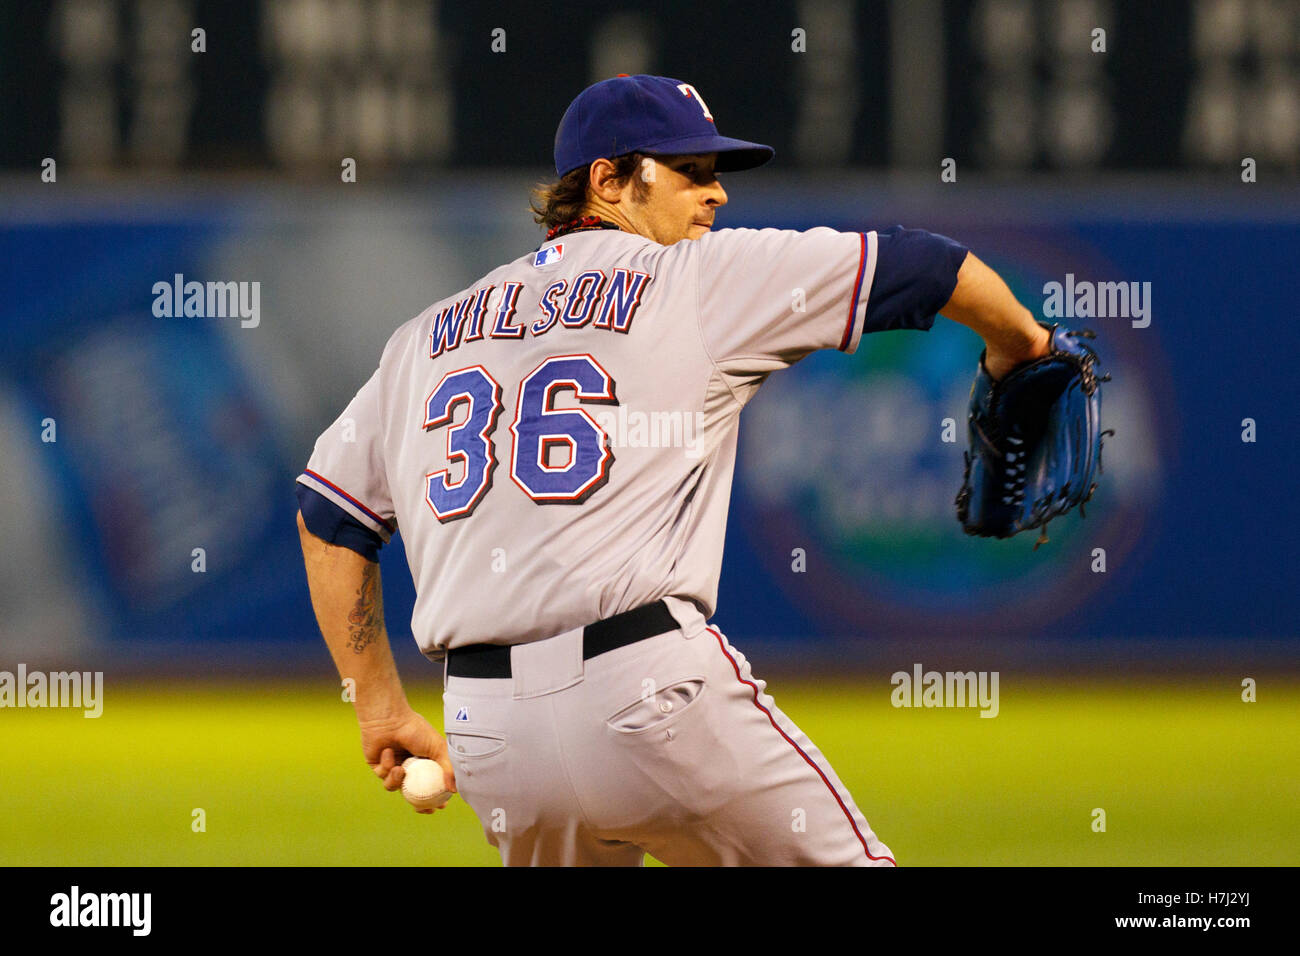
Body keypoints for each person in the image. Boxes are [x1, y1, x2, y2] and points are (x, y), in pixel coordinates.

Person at [296, 74, 1049, 866]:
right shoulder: (698, 277)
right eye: (691, 171)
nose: (716, 194)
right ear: (609, 179)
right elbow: (926, 266)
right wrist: (1022, 343)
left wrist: (377, 705)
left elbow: (328, 515)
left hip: (490, 732)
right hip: (649, 696)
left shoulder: (424, 337)